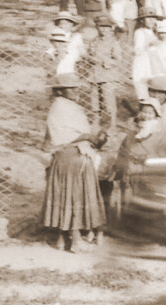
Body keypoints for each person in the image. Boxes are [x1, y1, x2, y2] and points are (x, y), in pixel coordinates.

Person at [41, 74, 107, 253]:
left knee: (69, 195)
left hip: (74, 152)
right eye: (72, 88)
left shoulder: (68, 106)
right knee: (74, 195)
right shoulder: (60, 107)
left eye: (77, 88)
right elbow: (61, 136)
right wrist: (88, 136)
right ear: (60, 90)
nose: (76, 91)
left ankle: (63, 239)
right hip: (70, 155)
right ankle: (76, 238)